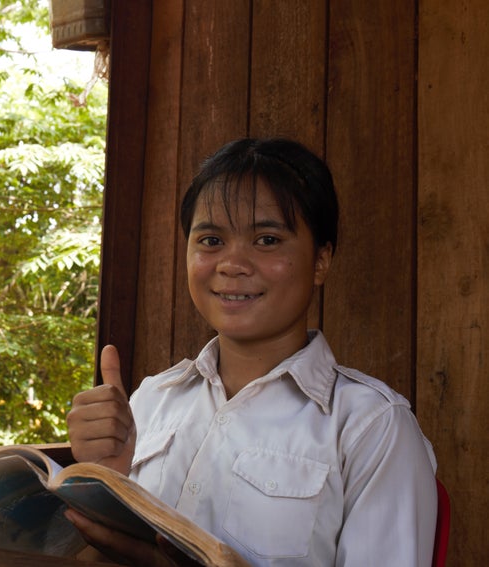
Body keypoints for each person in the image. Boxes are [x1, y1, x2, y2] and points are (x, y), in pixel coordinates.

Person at [65, 138, 438, 567]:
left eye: (266, 239)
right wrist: (106, 481)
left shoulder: (372, 428)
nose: (232, 264)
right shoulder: (150, 400)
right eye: (210, 240)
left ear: (321, 260)